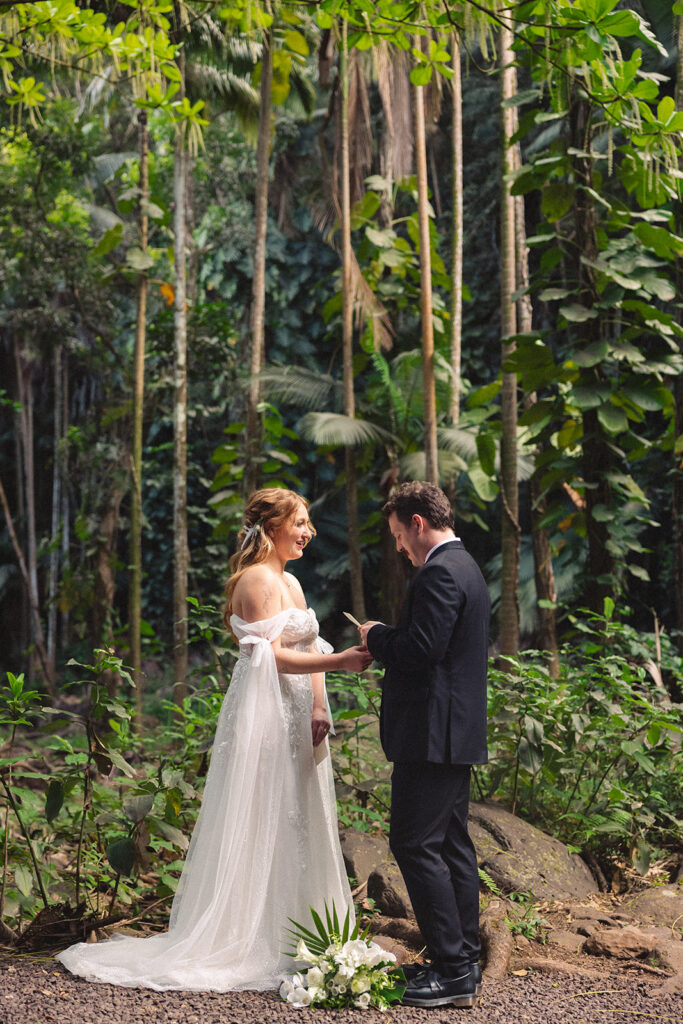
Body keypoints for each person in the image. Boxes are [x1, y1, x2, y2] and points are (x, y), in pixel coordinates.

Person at [57, 487, 372, 992]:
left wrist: (319, 703)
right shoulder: (254, 581)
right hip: (266, 712)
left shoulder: (291, 581)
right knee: (267, 809)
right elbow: (269, 656)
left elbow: (308, 642)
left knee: (301, 810)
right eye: (300, 522)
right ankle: (250, 936)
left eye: (309, 523)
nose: (308, 532)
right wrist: (341, 662)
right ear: (271, 528)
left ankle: (301, 929)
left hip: (299, 710)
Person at [359, 481, 490, 1009]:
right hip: (451, 736)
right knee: (452, 845)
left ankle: (454, 970)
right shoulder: (467, 567)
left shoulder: (439, 570)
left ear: (417, 523)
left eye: (397, 535)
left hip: (432, 737)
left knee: (415, 844)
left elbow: (421, 650)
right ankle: (464, 962)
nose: (398, 547)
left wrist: (374, 636)